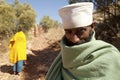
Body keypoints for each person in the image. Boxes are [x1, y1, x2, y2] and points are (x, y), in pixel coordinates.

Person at [45, 2, 120, 80]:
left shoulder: (111, 56)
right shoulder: (63, 57)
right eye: (68, 32)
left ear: (92, 26)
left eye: (80, 31)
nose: (74, 39)